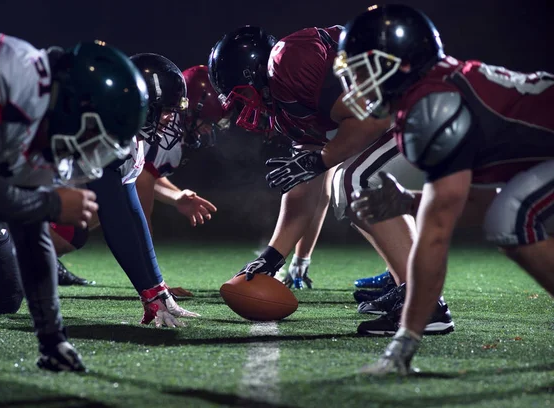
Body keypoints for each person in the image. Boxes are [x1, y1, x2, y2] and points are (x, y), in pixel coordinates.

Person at [336, 4, 554, 374]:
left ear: (402, 62)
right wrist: (409, 201)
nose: (357, 82)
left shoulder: (432, 105)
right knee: (508, 214)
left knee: (514, 215)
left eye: (363, 68)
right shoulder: (434, 92)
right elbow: (480, 203)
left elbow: (437, 231)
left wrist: (405, 341)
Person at [208, 25, 454, 335]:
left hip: (433, 105)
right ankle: (408, 285)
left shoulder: (290, 61)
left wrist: (323, 159)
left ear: (254, 72)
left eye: (241, 97)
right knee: (350, 181)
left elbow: (370, 117)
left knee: (357, 180)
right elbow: (306, 189)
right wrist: (272, 257)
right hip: (411, 113)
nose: (244, 110)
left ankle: (425, 305)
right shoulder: (285, 108)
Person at [0, 32, 149, 371]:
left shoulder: (44, 119)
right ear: (75, 106)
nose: (90, 153)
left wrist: (53, 338)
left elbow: (33, 233)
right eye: (92, 137)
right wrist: (53, 205)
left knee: (6, 297)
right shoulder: (10, 73)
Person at [53, 52, 201, 327]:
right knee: (73, 228)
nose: (170, 119)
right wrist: (148, 294)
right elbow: (116, 220)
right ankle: (13, 251)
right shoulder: (103, 133)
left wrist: (159, 287)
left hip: (29, 199)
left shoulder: (131, 137)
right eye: (166, 110)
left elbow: (132, 212)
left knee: (77, 226)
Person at [134, 65, 224, 233]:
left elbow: (145, 174)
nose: (208, 130)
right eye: (208, 121)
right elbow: (140, 181)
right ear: (192, 110)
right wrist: (144, 244)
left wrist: (176, 196)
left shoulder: (171, 128)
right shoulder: (163, 126)